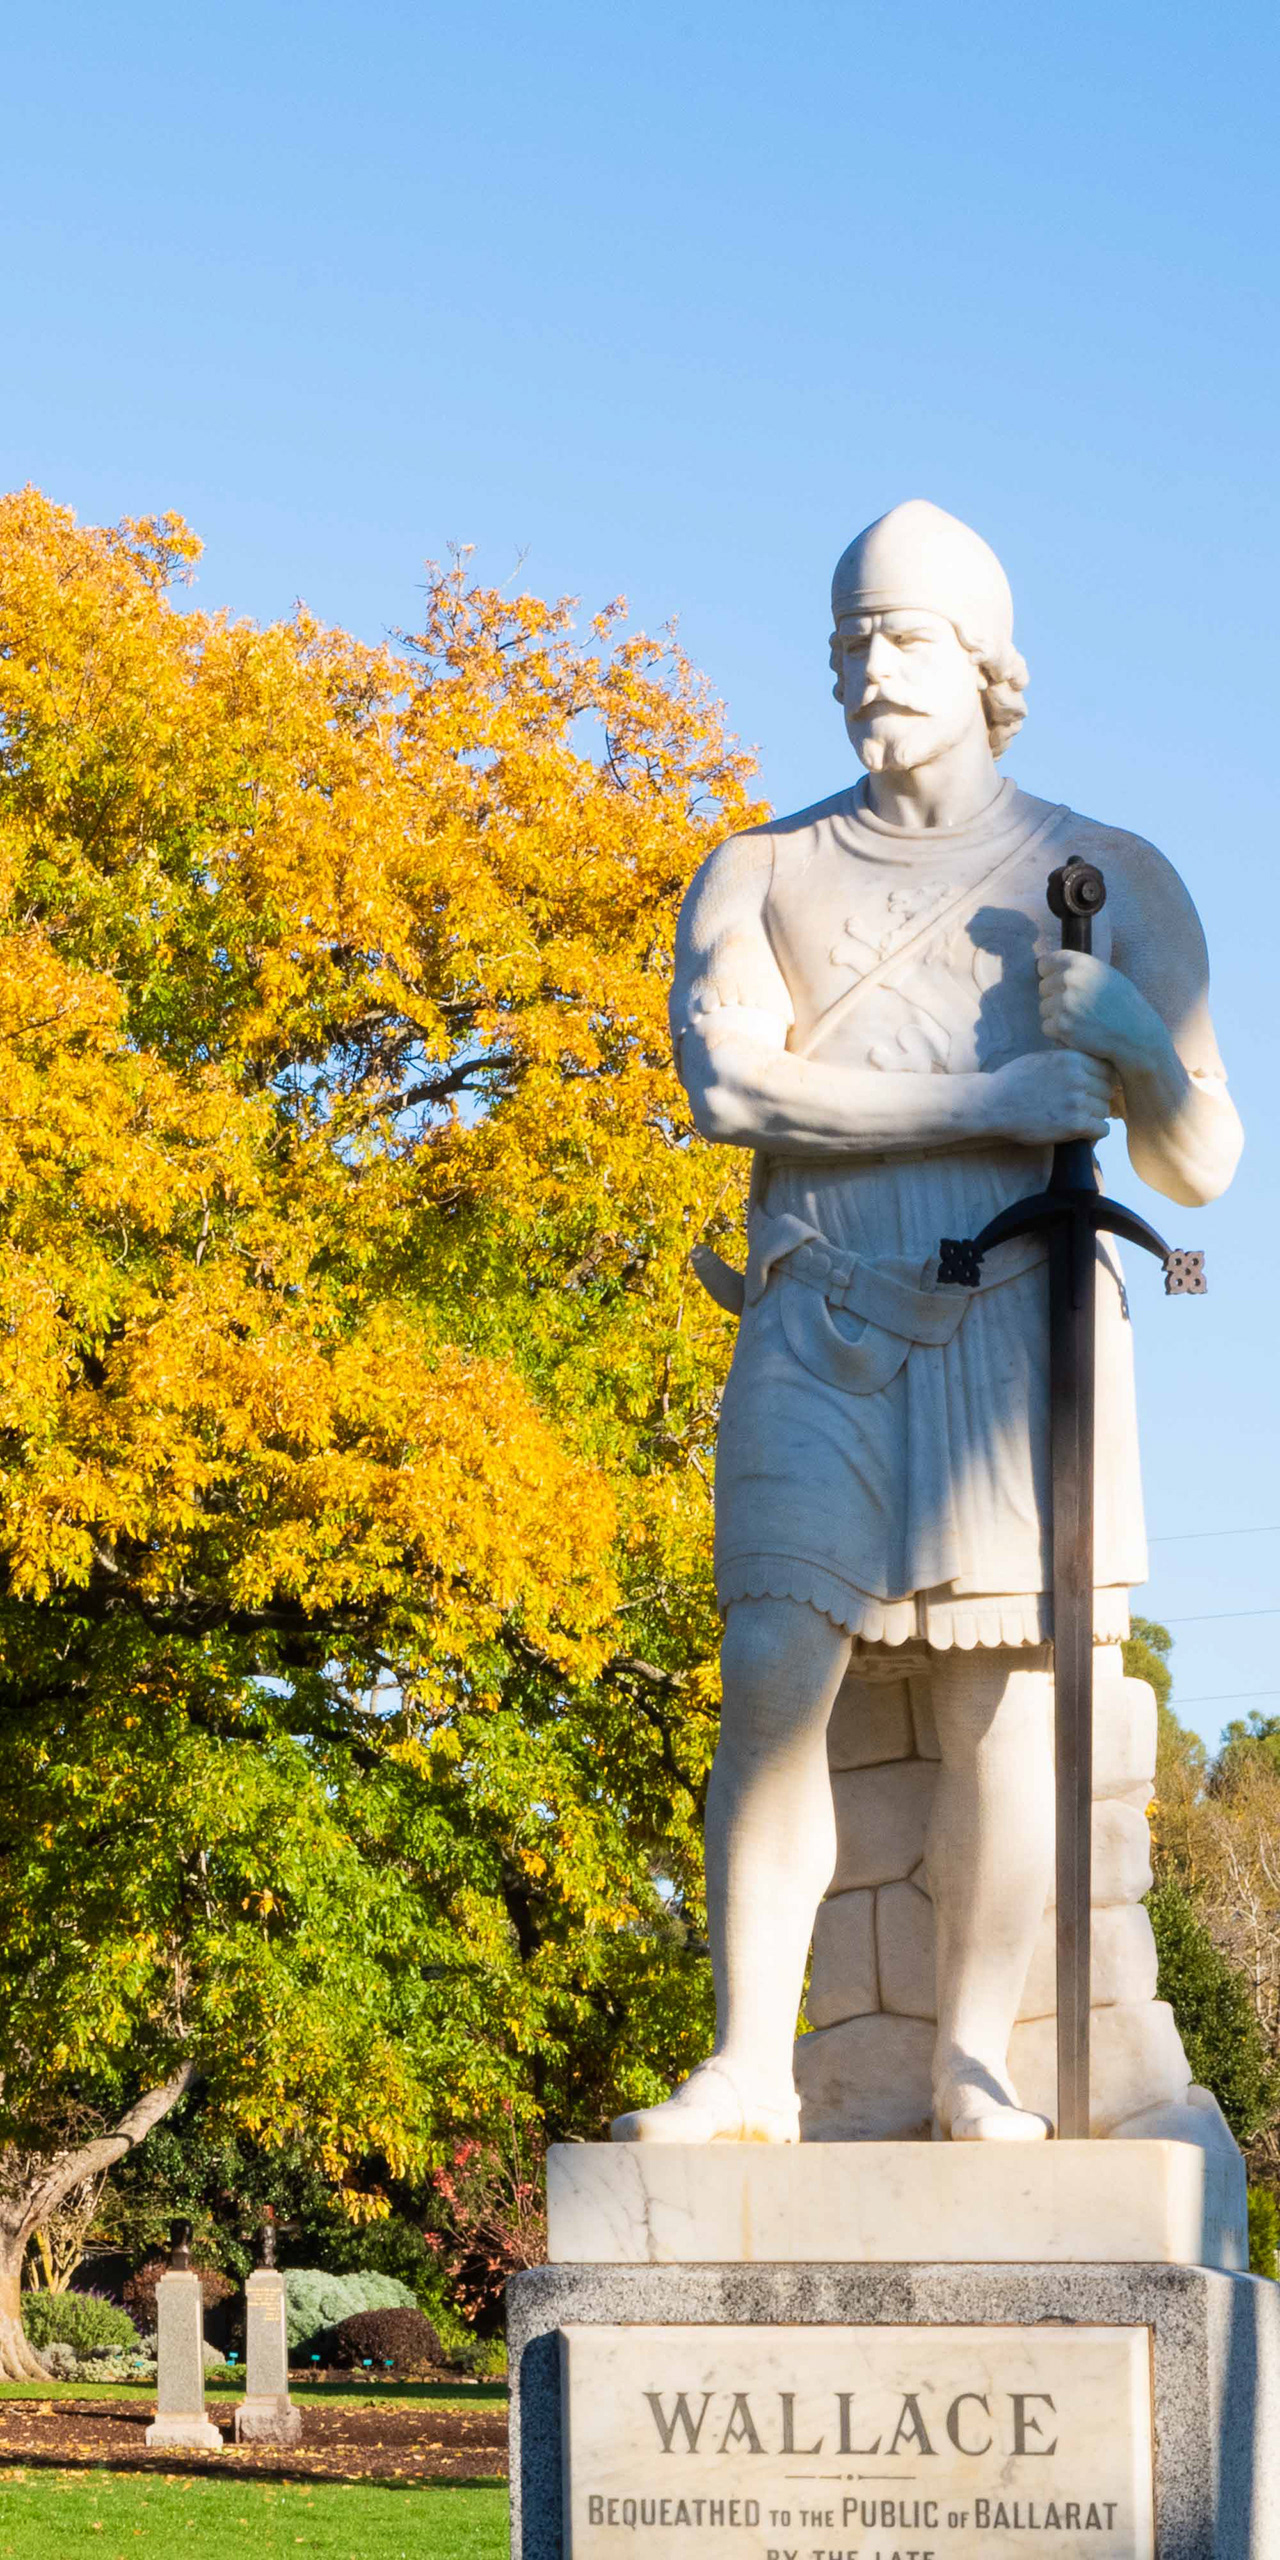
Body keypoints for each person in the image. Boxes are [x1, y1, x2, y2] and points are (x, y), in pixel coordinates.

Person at [625, 501, 1240, 2145]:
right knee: (770, 1674)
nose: (865, 670)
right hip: (817, 1315)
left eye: (899, 637)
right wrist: (993, 1095)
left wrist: (1133, 1043)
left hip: (1019, 1338)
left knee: (1001, 1703)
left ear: (985, 664)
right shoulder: (759, 871)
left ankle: (974, 2055)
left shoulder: (1107, 877)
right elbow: (730, 1084)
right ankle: (754, 2065)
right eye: (846, 640)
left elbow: (1206, 1160)